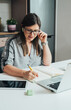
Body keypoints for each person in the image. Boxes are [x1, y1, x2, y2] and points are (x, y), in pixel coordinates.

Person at [1, 13, 52, 80]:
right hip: (18, 80)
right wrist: (24, 73)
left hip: (36, 79)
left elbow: (47, 63)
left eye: (35, 31)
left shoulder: (40, 40)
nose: (32, 34)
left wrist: (44, 42)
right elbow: (5, 67)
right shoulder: (12, 42)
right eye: (29, 30)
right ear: (23, 27)